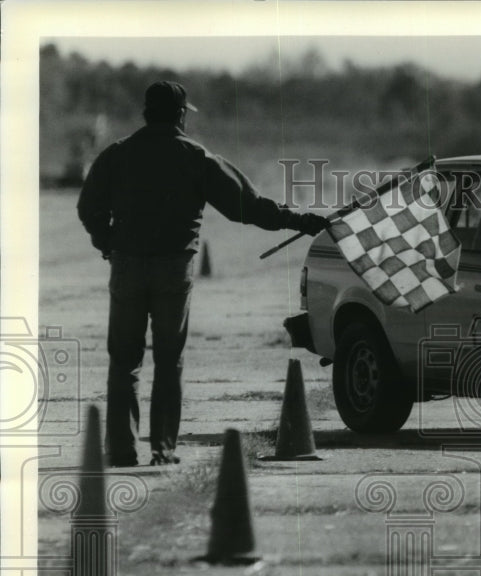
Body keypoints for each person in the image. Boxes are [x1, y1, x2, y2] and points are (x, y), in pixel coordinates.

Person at [77, 80, 329, 467]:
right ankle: (163, 449)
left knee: (124, 361)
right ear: (180, 115)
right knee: (167, 359)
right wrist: (302, 220)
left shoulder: (118, 154)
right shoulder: (196, 156)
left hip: (126, 265)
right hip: (174, 269)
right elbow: (249, 207)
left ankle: (123, 451)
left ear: (146, 112)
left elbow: (88, 205)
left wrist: (106, 242)